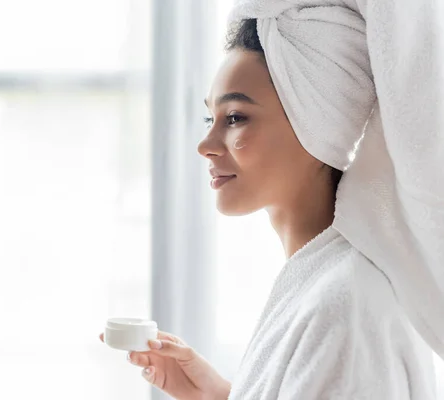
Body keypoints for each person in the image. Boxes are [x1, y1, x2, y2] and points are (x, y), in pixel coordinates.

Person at [100, 18, 437, 400]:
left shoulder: (345, 307)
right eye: (210, 118)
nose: (205, 144)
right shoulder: (321, 283)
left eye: (235, 118)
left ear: (316, 127)